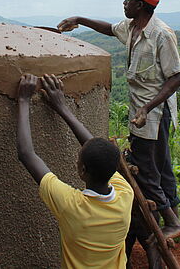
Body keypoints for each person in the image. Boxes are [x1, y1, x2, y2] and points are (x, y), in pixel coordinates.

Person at [58, 0, 180, 266]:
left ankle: (170, 220)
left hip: (153, 112)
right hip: (143, 111)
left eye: (128, 0)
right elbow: (108, 28)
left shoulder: (161, 35)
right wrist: (79, 19)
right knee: (161, 166)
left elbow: (176, 78)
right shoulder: (132, 28)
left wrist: (147, 108)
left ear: (140, 4)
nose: (124, 3)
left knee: (148, 169)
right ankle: (172, 216)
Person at [16, 73, 134, 268]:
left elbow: (26, 154)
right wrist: (62, 108)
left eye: (78, 159)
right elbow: (93, 147)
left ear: (83, 171)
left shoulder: (72, 206)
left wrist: (23, 100)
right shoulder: (125, 194)